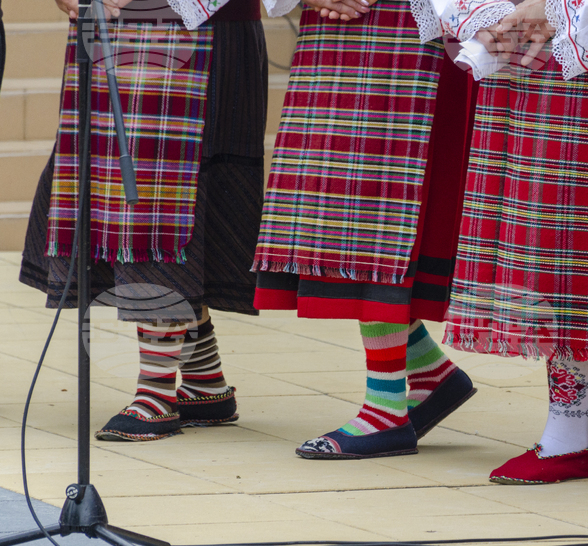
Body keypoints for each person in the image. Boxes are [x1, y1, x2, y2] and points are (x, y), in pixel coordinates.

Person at [429, 0, 588, 485]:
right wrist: (493, 14)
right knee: (544, 239)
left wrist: (548, 7)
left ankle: (567, 435)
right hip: (517, 51)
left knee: (567, 242)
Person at [250, 0, 501, 459]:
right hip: (331, 33)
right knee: (342, 221)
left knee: (377, 225)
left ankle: (386, 409)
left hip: (410, 32)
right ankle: (428, 373)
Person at [22, 0, 267, 441]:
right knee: (127, 199)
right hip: (110, 26)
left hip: (190, 29)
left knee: (158, 208)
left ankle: (156, 391)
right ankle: (205, 381)